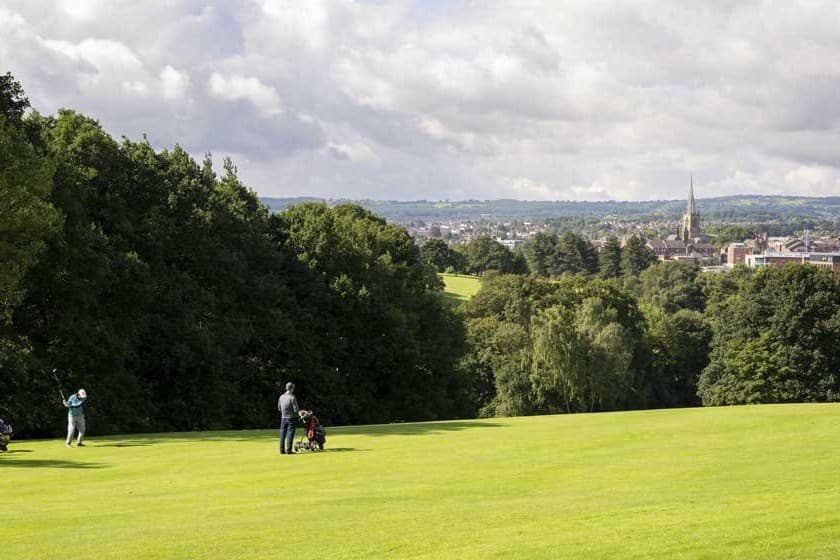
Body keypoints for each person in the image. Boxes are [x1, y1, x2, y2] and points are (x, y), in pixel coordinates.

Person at [277, 382, 299, 455]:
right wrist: (298, 415)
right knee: (290, 434)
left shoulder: (281, 397)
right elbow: (296, 409)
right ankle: (289, 450)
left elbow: (279, 408)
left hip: (283, 418)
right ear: (292, 388)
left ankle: (281, 450)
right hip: (291, 418)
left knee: (282, 434)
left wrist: (284, 413)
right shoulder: (292, 397)